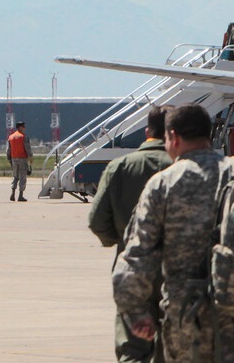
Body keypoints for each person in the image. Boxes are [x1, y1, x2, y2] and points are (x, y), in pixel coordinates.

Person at [113, 104, 234, 363]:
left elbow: (136, 258)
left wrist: (137, 313)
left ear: (173, 137)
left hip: (189, 325)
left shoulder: (164, 184)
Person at [90, 105, 173, 363]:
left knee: (133, 348)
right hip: (176, 271)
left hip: (132, 267)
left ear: (147, 131)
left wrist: (120, 240)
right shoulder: (182, 167)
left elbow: (97, 221)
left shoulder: (120, 167)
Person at [8, 121, 31, 202]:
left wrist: (9, 159)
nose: (24, 128)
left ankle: (13, 193)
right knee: (23, 177)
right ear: (20, 127)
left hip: (14, 158)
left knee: (15, 176)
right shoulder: (23, 136)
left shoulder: (11, 137)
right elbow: (27, 148)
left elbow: (9, 149)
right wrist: (30, 157)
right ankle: (20, 195)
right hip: (22, 158)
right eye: (23, 126)